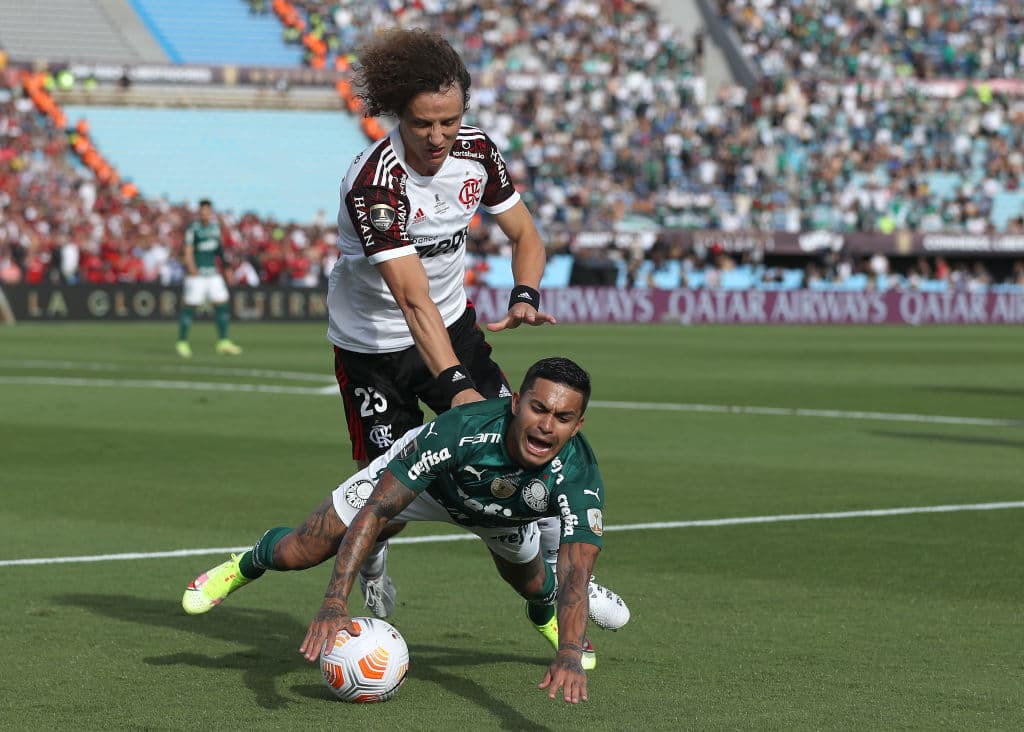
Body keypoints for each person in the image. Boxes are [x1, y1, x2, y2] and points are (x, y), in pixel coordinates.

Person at [325, 28, 628, 643]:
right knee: (387, 494)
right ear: (396, 115)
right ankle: (374, 565)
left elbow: (526, 234)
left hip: (454, 327)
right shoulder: (376, 185)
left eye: (451, 120)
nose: (439, 136)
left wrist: (525, 294)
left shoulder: (477, 151)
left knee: (526, 447)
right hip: (373, 348)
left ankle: (560, 582)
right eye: (423, 123)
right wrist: (458, 388)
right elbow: (411, 300)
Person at [183, 358, 606, 703]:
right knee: (299, 552)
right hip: (430, 487)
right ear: (515, 403)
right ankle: (248, 563)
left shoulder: (580, 475)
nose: (546, 425)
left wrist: (570, 652)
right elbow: (377, 512)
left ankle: (543, 616)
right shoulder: (462, 430)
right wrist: (334, 600)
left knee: (536, 585)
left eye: (562, 417)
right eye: (538, 408)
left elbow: (576, 569)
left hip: (502, 515)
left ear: (578, 425)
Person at [176, 199, 242, 358]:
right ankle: (182, 342)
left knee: (222, 304)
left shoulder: (215, 229)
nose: (205, 214)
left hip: (212, 273)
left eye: (207, 211)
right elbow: (188, 249)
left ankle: (223, 342)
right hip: (197, 274)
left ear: (211, 212)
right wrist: (191, 267)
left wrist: (226, 268)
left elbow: (219, 250)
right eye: (202, 211)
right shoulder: (193, 229)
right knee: (190, 307)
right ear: (199, 213)